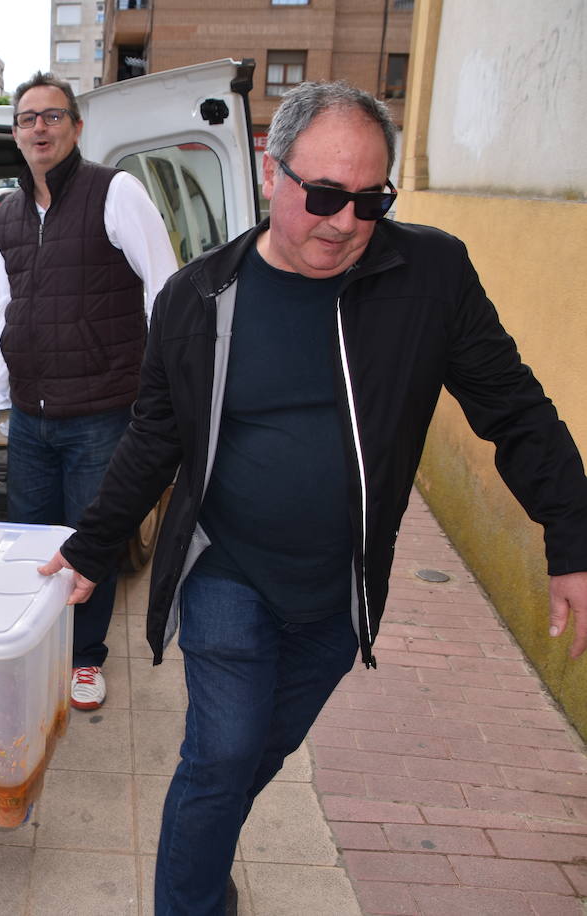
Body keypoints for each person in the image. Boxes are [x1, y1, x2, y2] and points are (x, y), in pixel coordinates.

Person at [39, 82, 587, 915]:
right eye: (324, 195)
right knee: (221, 755)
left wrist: (572, 538)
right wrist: (91, 545)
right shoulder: (196, 299)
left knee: (258, 755)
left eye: (371, 201)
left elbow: (513, 408)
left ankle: (202, 848)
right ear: (271, 173)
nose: (345, 221)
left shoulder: (429, 276)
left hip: (340, 592)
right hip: (227, 570)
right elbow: (156, 436)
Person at [0, 71, 178, 711]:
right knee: (31, 544)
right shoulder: (7, 214)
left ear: (76, 127)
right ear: (14, 133)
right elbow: (11, 311)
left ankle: (85, 660)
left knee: (91, 545)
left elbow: (165, 290)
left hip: (101, 414)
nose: (40, 127)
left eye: (53, 116)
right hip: (30, 418)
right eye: (28, 118)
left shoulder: (113, 192)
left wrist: (159, 391)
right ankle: (35, 651)